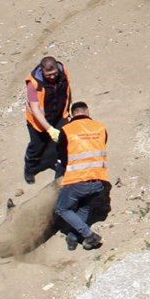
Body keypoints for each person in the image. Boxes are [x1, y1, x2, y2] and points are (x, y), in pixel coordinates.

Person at [54, 101, 107, 251]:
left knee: (62, 209)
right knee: (83, 209)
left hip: (77, 180)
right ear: (87, 112)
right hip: (98, 179)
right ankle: (72, 238)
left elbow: (63, 159)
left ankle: (90, 236)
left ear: (71, 114)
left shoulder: (66, 130)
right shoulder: (100, 127)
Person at [24, 56, 72, 184]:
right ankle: (30, 169)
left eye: (54, 73)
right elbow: (35, 109)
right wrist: (49, 129)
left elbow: (67, 91)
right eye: (49, 74)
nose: (52, 77)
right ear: (42, 70)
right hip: (38, 122)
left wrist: (67, 112)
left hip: (58, 115)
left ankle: (59, 170)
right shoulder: (33, 84)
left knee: (61, 143)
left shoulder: (63, 72)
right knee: (36, 146)